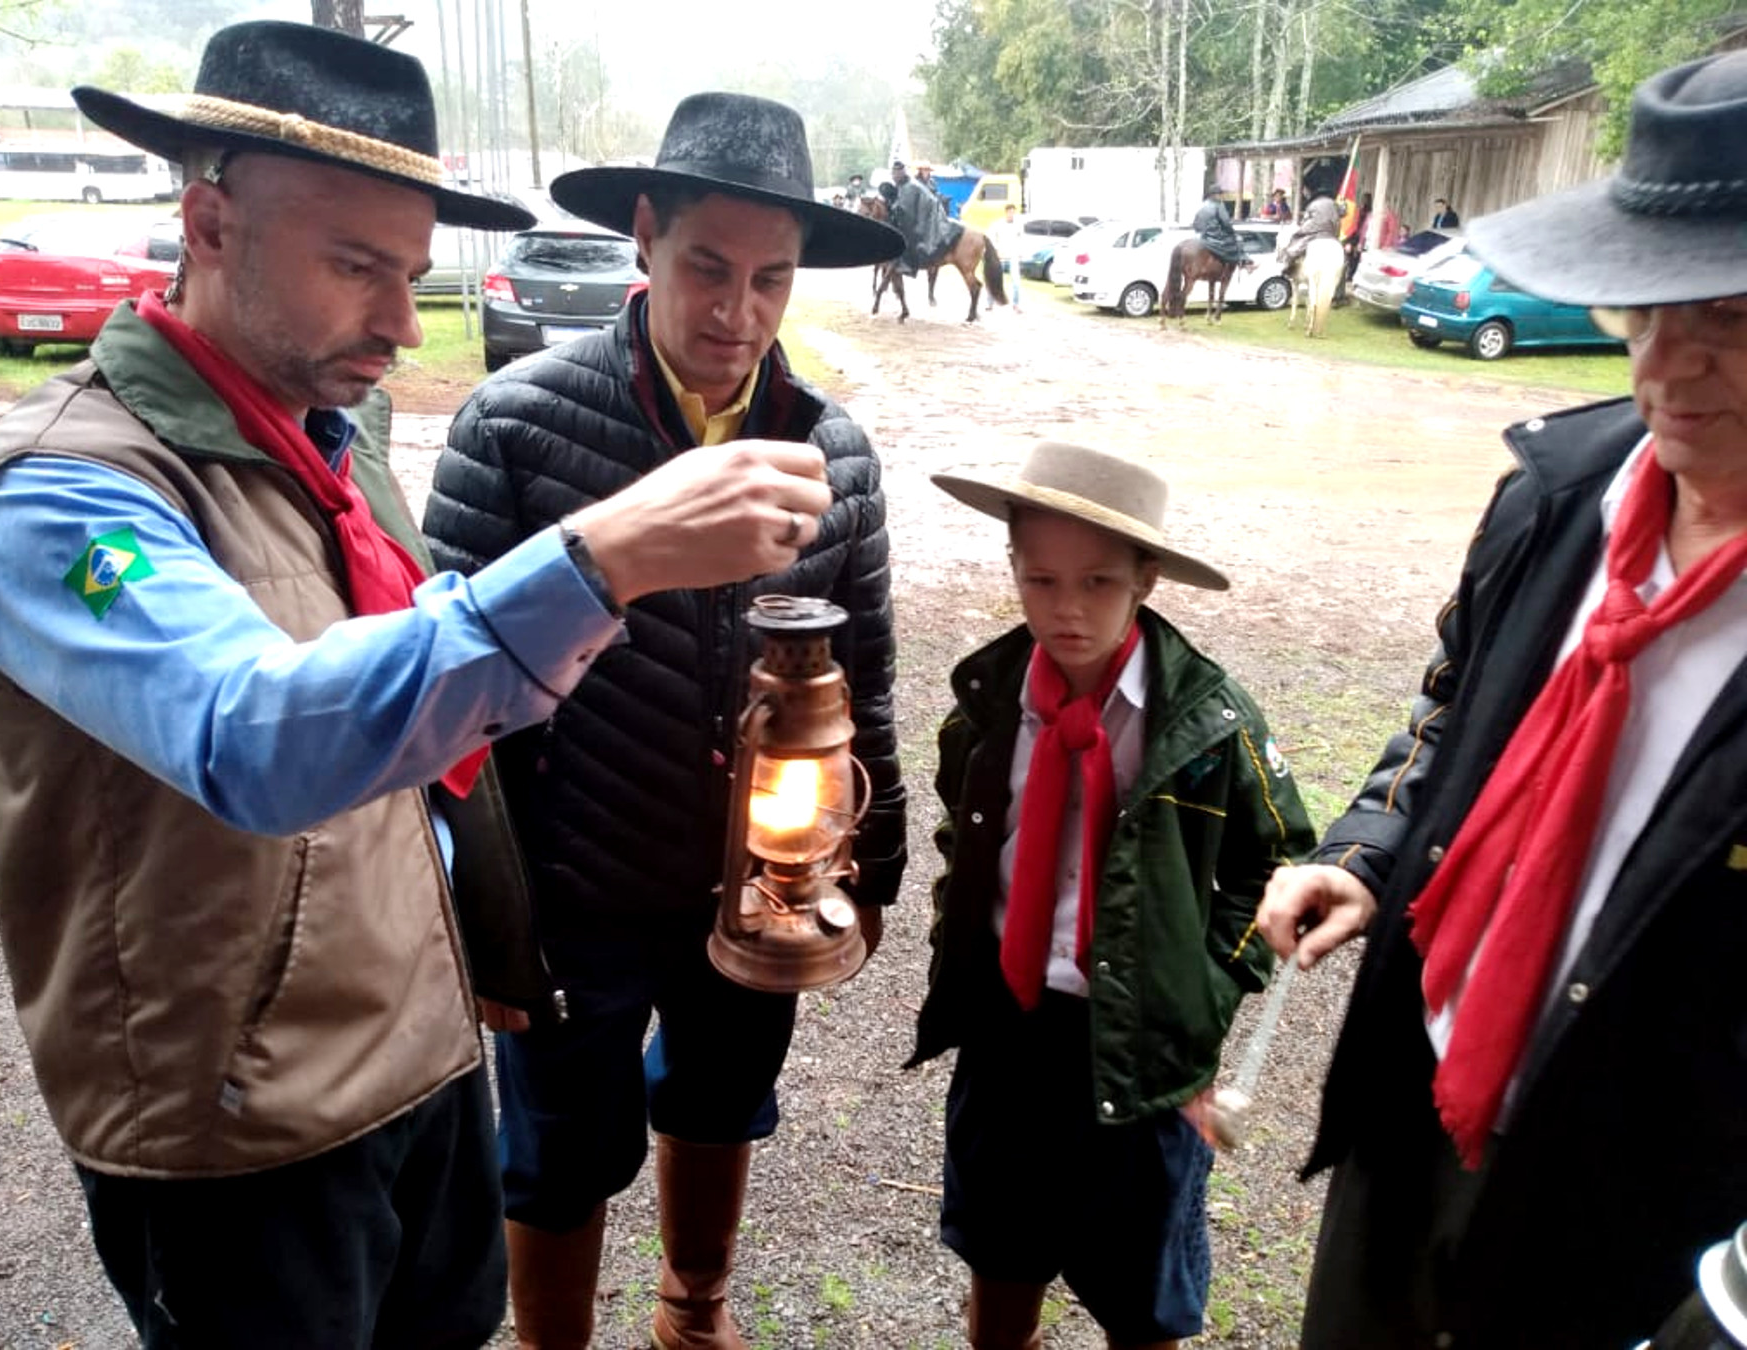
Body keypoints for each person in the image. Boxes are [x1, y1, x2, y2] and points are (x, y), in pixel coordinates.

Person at [0, 25, 841, 1350]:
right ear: (206, 221)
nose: (396, 321)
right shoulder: (66, 499)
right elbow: (249, 733)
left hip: (420, 1067)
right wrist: (612, 553)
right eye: (355, 264)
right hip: (243, 1130)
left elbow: (440, 709)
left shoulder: (319, 452)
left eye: (411, 275)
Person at [1255, 50, 1747, 1349]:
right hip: (1414, 1112)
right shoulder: (1561, 492)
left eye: (1733, 317)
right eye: (1648, 309)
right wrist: (1374, 846)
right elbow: (1454, 704)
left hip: (1636, 1223)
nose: (1670, 370)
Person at [423, 93, 908, 1350]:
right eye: (707, 267)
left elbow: (866, 675)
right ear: (646, 235)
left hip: (762, 879)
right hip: (575, 885)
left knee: (722, 1097)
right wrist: (484, 918)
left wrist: (883, 848)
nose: (734, 312)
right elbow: (444, 708)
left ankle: (693, 1310)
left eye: (770, 280)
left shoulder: (834, 454)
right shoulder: (517, 428)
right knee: (559, 1145)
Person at [911, 441, 1315, 1350]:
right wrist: (961, 938)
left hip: (1137, 1050)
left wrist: (1205, 993)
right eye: (1040, 579)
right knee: (1001, 1252)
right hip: (1011, 1030)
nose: (1066, 610)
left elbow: (1281, 854)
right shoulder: (987, 702)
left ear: (1147, 580)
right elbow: (965, 828)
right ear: (1013, 569)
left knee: (1142, 1290)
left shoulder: (1205, 718)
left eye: (1097, 582)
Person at [889, 157, 959, 278]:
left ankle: (909, 264)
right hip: (921, 209)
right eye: (924, 170)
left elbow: (912, 207)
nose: (927, 172)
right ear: (920, 171)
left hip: (927, 214)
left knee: (909, 234)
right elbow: (905, 201)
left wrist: (943, 198)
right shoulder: (911, 182)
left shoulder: (921, 183)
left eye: (928, 170)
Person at [1278, 192, 1342, 273]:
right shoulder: (1334, 204)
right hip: (1331, 234)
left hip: (1315, 232)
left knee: (1295, 243)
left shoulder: (1312, 205)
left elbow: (1305, 220)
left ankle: (1288, 267)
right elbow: (1340, 218)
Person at [1191, 182, 1245, 265]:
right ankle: (1243, 262)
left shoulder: (1202, 204)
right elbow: (1226, 222)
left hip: (1198, 234)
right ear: (1215, 195)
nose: (1221, 196)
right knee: (1238, 240)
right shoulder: (1218, 205)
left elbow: (1195, 222)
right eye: (1220, 194)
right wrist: (1232, 233)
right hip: (1214, 235)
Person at [987, 201, 1024, 313]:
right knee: (994, 280)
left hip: (1013, 256)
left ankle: (1016, 305)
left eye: (1013, 212)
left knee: (1016, 282)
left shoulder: (1018, 225)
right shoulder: (998, 224)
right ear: (1006, 212)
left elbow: (1021, 239)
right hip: (1001, 256)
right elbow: (991, 238)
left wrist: (1020, 252)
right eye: (1010, 212)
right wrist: (996, 250)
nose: (1011, 214)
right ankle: (990, 303)